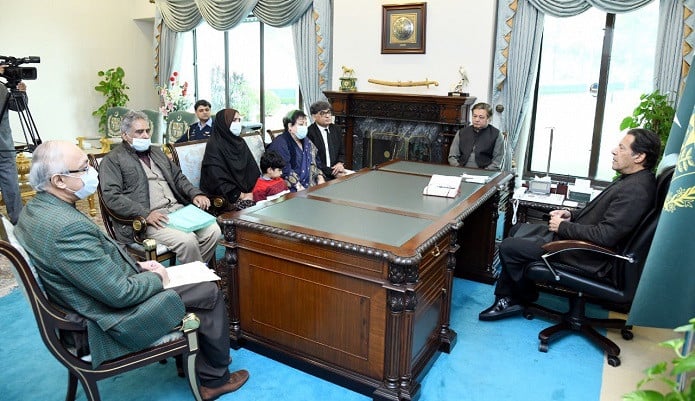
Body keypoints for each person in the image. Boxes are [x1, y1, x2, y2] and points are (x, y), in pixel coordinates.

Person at [14, 140, 249, 400]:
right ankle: (214, 380)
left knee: (196, 279)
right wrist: (156, 276)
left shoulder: (35, 210)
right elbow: (120, 294)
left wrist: (137, 265)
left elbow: (86, 266)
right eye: (83, 168)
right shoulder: (65, 228)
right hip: (108, 319)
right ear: (59, 180)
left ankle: (192, 359)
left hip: (90, 298)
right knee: (208, 291)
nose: (93, 173)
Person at [478, 128, 661, 321]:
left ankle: (513, 298)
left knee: (509, 246)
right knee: (516, 229)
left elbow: (606, 235)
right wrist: (570, 215)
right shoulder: (633, 180)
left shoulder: (636, 190)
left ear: (639, 156)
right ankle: (517, 293)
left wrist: (563, 227)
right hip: (578, 242)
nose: (614, 150)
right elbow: (600, 214)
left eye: (622, 148)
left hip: (586, 255)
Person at [99, 110, 221, 264]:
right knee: (187, 240)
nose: (145, 136)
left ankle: (191, 274)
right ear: (125, 135)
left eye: (147, 130)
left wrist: (195, 194)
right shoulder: (112, 160)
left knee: (213, 231)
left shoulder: (157, 152)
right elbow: (112, 197)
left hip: (178, 211)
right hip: (149, 219)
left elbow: (178, 178)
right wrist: (145, 213)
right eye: (139, 132)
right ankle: (197, 280)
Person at [200, 108, 261, 210]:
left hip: (249, 193)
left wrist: (256, 191)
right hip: (225, 198)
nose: (237, 124)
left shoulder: (240, 142)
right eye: (233, 120)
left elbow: (252, 170)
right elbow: (216, 179)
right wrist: (241, 195)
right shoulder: (214, 145)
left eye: (238, 120)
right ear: (224, 123)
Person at [267, 109, 325, 192]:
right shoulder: (280, 143)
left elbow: (315, 161)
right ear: (290, 126)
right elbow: (284, 170)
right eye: (301, 124)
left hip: (311, 184)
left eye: (306, 124)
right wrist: (299, 187)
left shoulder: (306, 140)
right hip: (292, 189)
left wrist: (320, 177)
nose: (305, 127)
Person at [0, 69, 27, 225]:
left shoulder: (2, 87)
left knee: (12, 189)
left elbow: (18, 107)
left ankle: (19, 223)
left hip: (4, 146)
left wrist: (20, 93)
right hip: (4, 146)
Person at [447, 102, 504, 170]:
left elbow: (496, 162)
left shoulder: (496, 134)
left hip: (485, 172)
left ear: (489, 119)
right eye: (474, 116)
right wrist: (459, 169)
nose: (477, 120)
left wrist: (484, 172)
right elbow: (452, 157)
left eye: (481, 117)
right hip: (461, 169)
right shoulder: (461, 132)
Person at [307, 101, 346, 180]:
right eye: (323, 113)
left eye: (329, 112)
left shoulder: (336, 129)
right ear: (314, 116)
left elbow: (342, 152)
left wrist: (339, 163)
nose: (328, 116)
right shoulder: (309, 132)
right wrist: (332, 172)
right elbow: (313, 160)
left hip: (336, 170)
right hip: (319, 173)